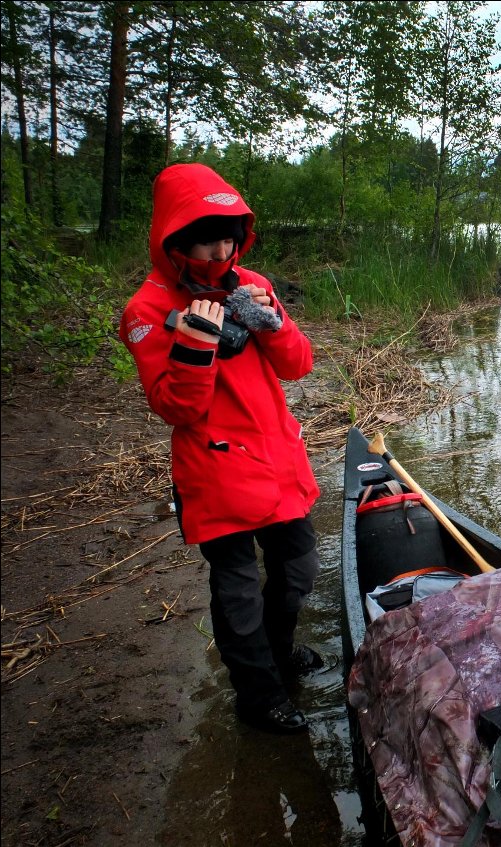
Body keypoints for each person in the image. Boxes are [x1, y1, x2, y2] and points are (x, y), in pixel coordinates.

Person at [119, 162, 331, 734]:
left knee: (299, 567)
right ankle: (258, 695)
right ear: (173, 241)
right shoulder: (146, 309)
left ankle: (280, 651)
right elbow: (175, 409)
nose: (219, 251)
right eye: (205, 239)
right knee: (236, 588)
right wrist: (194, 345)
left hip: (275, 458)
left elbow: (299, 365)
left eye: (228, 237)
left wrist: (271, 320)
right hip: (213, 468)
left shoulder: (250, 282)